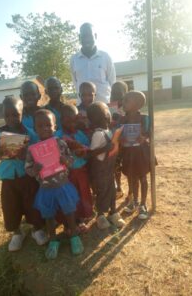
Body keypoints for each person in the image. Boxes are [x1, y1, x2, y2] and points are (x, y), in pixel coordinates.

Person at [0, 96, 47, 252]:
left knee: (32, 203)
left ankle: (36, 229)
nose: (11, 118)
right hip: (8, 179)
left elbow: (36, 152)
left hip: (27, 177)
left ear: (22, 113)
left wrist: (27, 154)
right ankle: (17, 232)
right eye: (7, 115)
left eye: (16, 114)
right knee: (10, 206)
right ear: (3, 116)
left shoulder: (30, 133)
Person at [25, 109, 84, 259]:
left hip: (63, 186)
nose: (45, 128)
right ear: (35, 129)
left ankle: (74, 236)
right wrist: (35, 169)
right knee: (49, 216)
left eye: (48, 125)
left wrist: (66, 161)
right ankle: (53, 239)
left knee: (69, 212)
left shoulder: (60, 143)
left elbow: (71, 161)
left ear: (54, 127)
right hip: (45, 189)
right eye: (40, 126)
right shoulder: (32, 150)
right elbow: (28, 169)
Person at [87, 102, 125, 230]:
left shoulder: (108, 131)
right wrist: (105, 148)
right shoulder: (98, 134)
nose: (109, 114)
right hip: (100, 170)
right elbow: (91, 153)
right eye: (106, 112)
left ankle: (113, 212)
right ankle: (100, 215)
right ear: (101, 118)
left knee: (112, 190)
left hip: (109, 169)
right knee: (102, 192)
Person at [56, 104, 93, 232]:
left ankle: (81, 220)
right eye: (67, 120)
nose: (71, 123)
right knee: (68, 197)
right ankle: (68, 223)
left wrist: (82, 151)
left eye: (74, 120)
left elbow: (88, 149)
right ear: (61, 120)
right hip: (66, 174)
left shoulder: (80, 134)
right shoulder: (57, 136)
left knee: (82, 195)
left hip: (81, 171)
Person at [120, 91, 151, 220]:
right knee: (132, 178)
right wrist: (121, 140)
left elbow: (150, 133)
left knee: (142, 178)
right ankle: (134, 201)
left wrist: (143, 137)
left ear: (137, 105)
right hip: (128, 154)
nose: (124, 102)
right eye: (124, 99)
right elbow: (119, 134)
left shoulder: (145, 118)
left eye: (127, 100)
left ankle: (143, 204)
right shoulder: (122, 118)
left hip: (141, 154)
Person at [70, 23, 116, 104]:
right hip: (83, 110)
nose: (87, 39)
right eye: (84, 36)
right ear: (79, 37)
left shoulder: (105, 57)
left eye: (89, 36)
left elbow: (112, 82)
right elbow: (75, 83)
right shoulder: (74, 59)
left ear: (95, 36)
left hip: (104, 107)